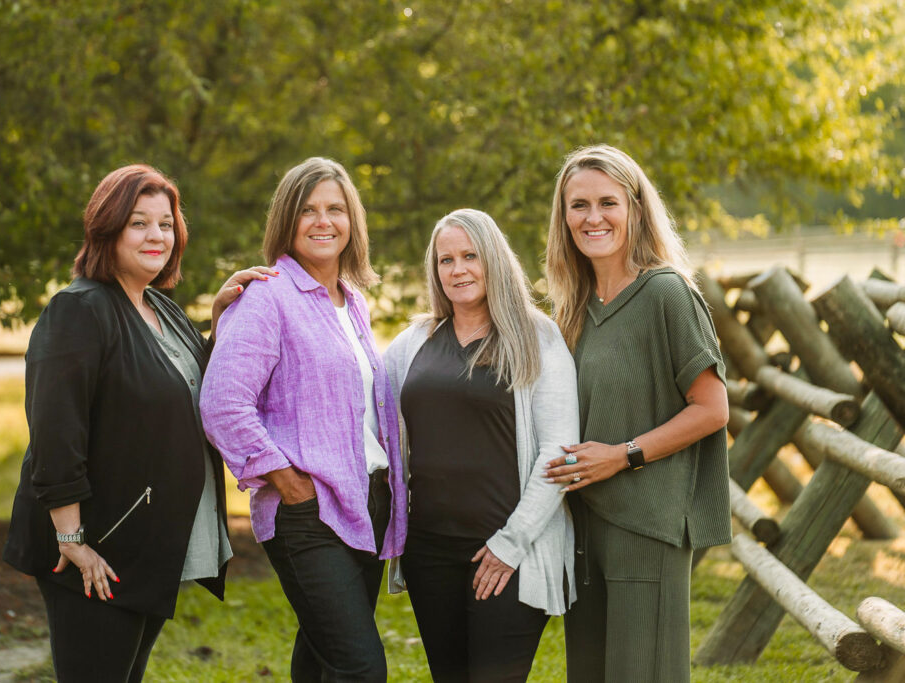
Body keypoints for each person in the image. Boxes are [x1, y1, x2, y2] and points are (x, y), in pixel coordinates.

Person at [3, 164, 273, 682]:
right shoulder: (78, 310)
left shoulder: (160, 308)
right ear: (107, 229)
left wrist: (220, 320)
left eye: (166, 224)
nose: (157, 236)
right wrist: (72, 539)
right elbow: (56, 431)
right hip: (93, 547)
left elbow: (189, 389)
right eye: (138, 223)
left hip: (143, 544)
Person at [199, 157, 407, 682]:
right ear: (287, 221)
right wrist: (288, 481)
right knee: (360, 668)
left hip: (368, 502)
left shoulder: (353, 303)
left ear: (352, 222)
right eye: (308, 209)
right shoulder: (268, 297)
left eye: (336, 209)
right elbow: (222, 403)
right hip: (310, 513)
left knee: (321, 659)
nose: (323, 221)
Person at [542, 144, 730, 683]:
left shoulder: (666, 293)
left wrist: (622, 456)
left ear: (636, 210)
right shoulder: (575, 307)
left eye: (608, 202)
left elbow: (712, 408)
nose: (593, 217)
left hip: (648, 523)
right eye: (579, 205)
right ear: (564, 218)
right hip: (585, 522)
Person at [384, 208, 580, 682]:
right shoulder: (413, 342)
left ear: (493, 259)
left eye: (470, 256)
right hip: (430, 551)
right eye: (445, 260)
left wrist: (510, 545)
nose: (458, 270)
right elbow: (357, 401)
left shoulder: (537, 338)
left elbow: (559, 451)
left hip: (510, 551)